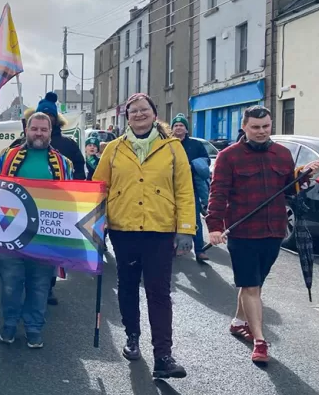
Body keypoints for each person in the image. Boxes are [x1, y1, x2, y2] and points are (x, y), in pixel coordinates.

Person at [206, 105, 319, 365]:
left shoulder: (282, 155)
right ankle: (259, 341)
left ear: (271, 126)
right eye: (255, 127)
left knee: (254, 284)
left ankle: (239, 322)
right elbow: (218, 193)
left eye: (266, 127)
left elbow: (288, 190)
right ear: (244, 128)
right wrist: (214, 226)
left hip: (273, 231)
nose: (261, 132)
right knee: (250, 286)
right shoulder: (229, 156)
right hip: (242, 230)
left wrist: (303, 176)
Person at [93, 93, 194, 379]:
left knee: (159, 292)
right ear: (127, 117)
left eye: (144, 110)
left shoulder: (173, 148)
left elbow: (185, 190)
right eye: (133, 111)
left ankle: (163, 355)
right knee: (127, 286)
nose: (139, 114)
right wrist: (94, 228)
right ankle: (132, 337)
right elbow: (98, 188)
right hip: (123, 230)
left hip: (160, 230)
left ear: (154, 113)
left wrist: (186, 229)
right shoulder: (113, 149)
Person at [0, 112, 75, 349]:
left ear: (51, 132)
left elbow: (71, 197)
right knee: (10, 282)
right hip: (10, 231)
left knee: (39, 284)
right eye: (35, 129)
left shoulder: (63, 164)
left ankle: (34, 328)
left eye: (44, 129)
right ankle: (9, 324)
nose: (39, 133)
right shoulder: (6, 158)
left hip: (45, 235)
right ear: (26, 130)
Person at [12, 92, 87, 305]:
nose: (40, 131)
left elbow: (79, 171)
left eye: (48, 118)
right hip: (20, 213)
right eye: (40, 117)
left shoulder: (68, 146)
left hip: (52, 213)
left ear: (54, 121)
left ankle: (48, 287)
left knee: (49, 254)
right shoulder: (17, 147)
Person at [170, 113, 211, 263]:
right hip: (169, 188)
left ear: (186, 129)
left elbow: (206, 160)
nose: (179, 128)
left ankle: (199, 250)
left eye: (181, 126)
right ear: (172, 129)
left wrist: (195, 165)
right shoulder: (168, 144)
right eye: (176, 125)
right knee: (170, 219)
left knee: (194, 219)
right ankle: (172, 248)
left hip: (190, 188)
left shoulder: (196, 145)